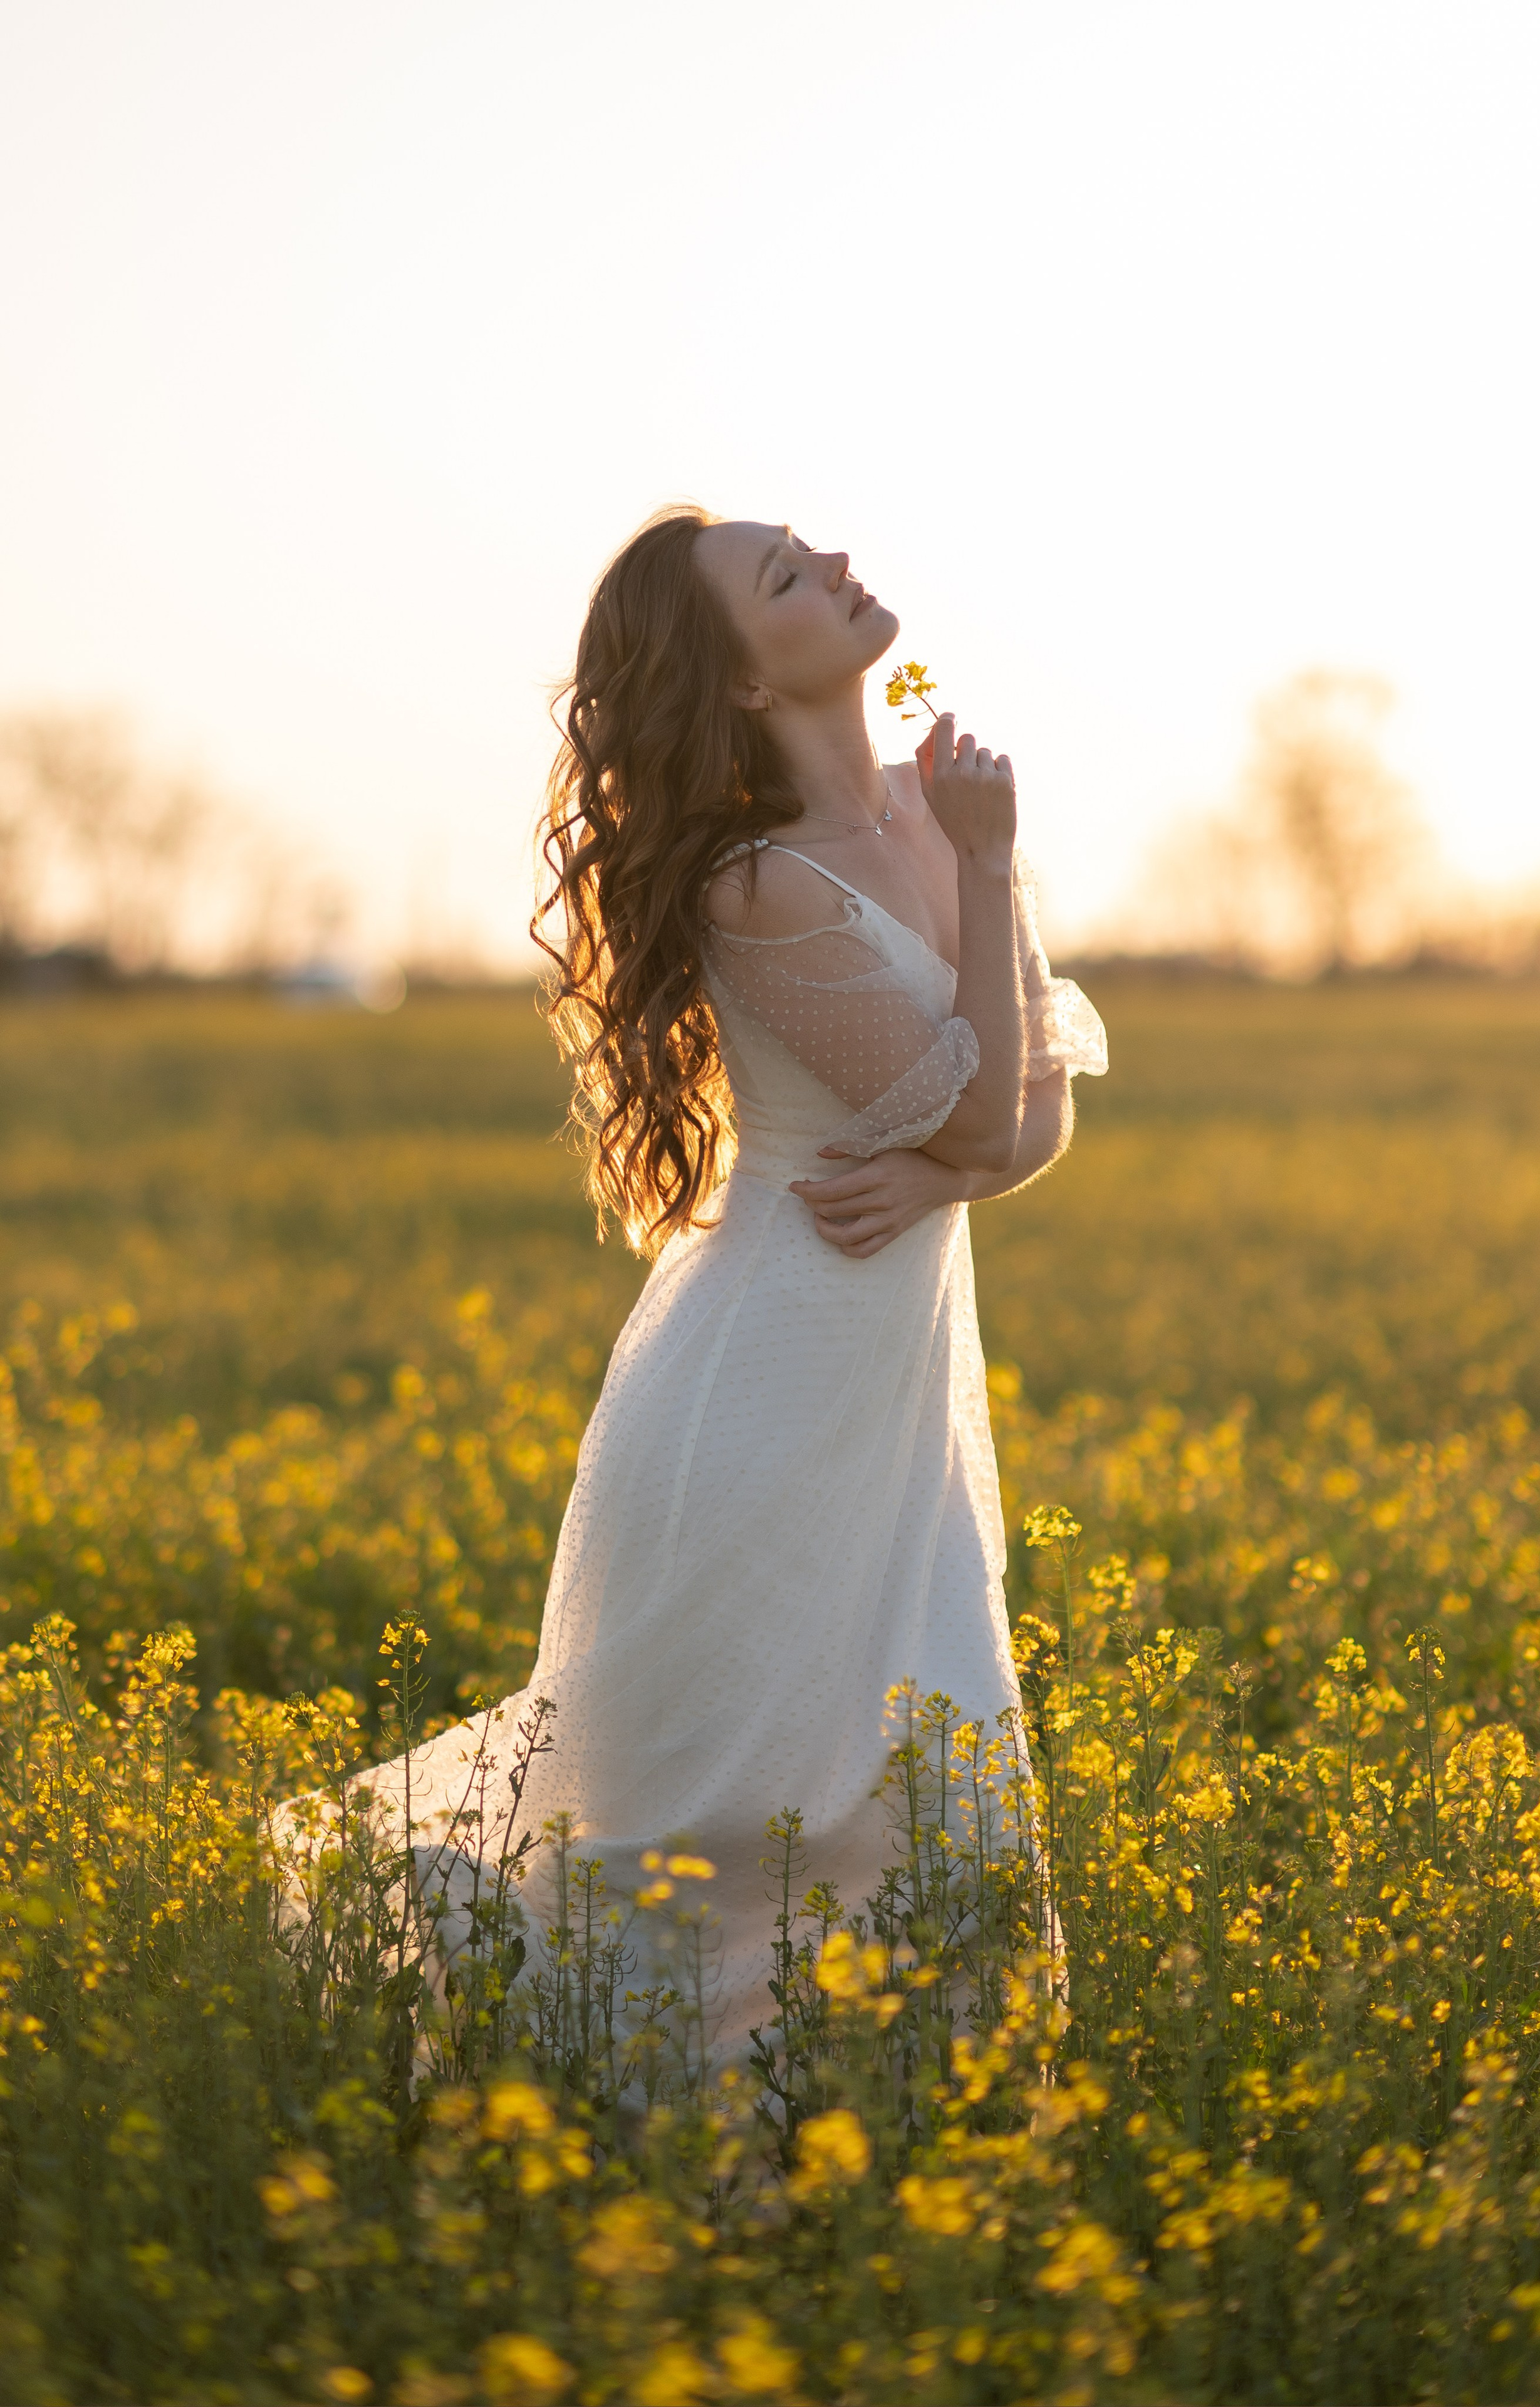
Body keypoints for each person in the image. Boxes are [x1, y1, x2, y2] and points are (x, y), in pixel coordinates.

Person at [339, 505, 1106, 2059]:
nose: (832, 564)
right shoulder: (754, 881)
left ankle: (912, 2133)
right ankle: (615, 2124)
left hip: (894, 1378)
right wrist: (990, 882)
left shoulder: (931, 801)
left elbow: (1037, 1107)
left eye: (808, 546)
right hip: (768, 1372)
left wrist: (963, 1150)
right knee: (731, 1793)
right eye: (783, 577)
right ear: (747, 685)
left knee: (925, 1755)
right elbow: (981, 1105)